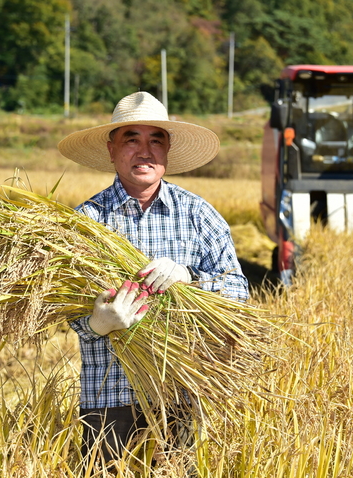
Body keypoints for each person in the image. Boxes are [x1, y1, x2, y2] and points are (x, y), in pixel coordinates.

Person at [57, 91, 249, 468]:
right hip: (109, 396)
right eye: (132, 139)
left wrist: (189, 280)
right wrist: (97, 323)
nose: (144, 151)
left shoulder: (198, 215)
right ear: (112, 149)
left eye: (155, 140)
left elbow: (238, 292)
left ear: (167, 151)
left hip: (179, 392)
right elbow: (66, 307)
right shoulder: (86, 224)